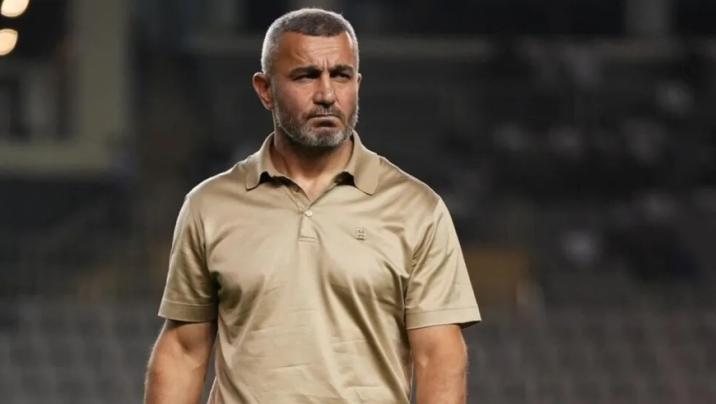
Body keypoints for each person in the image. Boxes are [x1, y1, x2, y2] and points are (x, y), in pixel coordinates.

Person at [144, 8, 480, 404]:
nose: (326, 94)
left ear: (357, 84)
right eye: (305, 76)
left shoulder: (416, 209)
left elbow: (439, 356)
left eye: (341, 75)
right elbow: (183, 351)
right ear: (265, 89)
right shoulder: (210, 206)